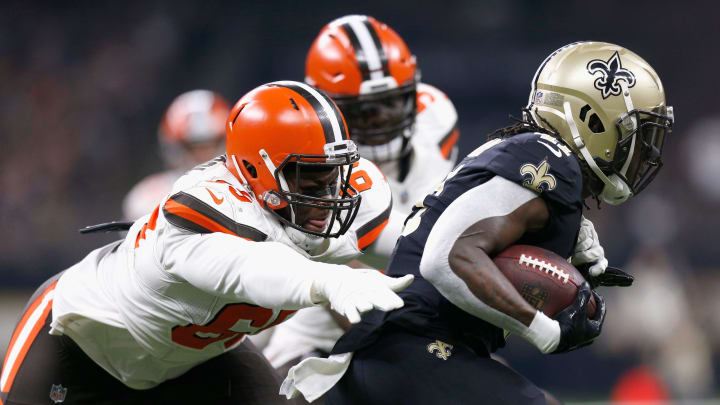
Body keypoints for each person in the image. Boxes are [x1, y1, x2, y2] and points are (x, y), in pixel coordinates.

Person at [281, 42, 674, 404]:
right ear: (590, 120)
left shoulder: (535, 158)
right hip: (411, 348)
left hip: (407, 350)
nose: (643, 153)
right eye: (635, 134)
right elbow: (447, 258)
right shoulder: (552, 161)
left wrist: (570, 244)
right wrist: (545, 330)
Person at [0, 81, 413, 405]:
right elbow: (249, 269)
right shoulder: (198, 212)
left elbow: (413, 243)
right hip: (77, 347)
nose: (327, 196)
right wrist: (328, 281)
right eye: (309, 177)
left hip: (198, 361)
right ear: (256, 168)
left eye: (333, 176)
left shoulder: (337, 205)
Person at [261, 14, 460, 385]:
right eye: (360, 110)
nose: (379, 119)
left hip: (425, 307)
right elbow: (338, 269)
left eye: (390, 103)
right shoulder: (304, 157)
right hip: (319, 324)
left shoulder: (436, 117)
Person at [123, 89, 231, 220]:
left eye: (211, 145)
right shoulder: (148, 198)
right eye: (194, 148)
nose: (204, 155)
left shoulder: (248, 191)